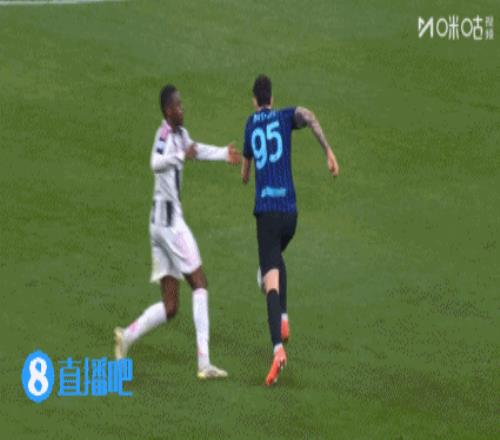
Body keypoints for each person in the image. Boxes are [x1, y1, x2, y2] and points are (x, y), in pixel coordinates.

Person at [115, 84, 241, 379]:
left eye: (182, 105)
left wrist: (223, 154)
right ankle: (204, 363)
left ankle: (126, 335)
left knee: (171, 306)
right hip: (170, 224)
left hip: (158, 224)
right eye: (177, 106)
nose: (182, 109)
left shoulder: (180, 134)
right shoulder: (163, 136)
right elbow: (155, 162)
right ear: (167, 110)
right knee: (200, 283)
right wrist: (180, 156)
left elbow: (195, 150)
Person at [241, 74, 340, 386]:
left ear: (254, 100)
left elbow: (245, 173)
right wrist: (328, 151)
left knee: (268, 281)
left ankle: (277, 350)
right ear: (272, 98)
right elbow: (308, 116)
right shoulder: (284, 117)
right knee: (276, 258)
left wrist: (246, 170)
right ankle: (283, 319)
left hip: (267, 215)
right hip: (290, 215)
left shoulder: (250, 124)